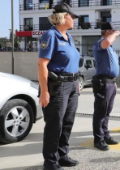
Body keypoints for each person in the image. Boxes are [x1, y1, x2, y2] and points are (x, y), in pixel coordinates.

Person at [38, 3, 80, 170]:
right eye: (72, 16)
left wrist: (76, 84)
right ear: (63, 16)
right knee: (55, 124)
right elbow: (42, 64)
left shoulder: (69, 37)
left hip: (72, 85)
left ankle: (62, 155)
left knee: (68, 123)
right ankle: (50, 161)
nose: (75, 19)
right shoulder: (50, 35)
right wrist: (44, 92)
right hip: (57, 86)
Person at [92, 22, 120, 151]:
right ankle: (98, 139)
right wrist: (115, 33)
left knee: (107, 112)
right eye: (113, 33)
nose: (116, 36)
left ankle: (105, 135)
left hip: (110, 83)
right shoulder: (101, 43)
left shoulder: (110, 48)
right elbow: (106, 42)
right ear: (108, 32)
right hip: (103, 83)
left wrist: (114, 81)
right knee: (100, 112)